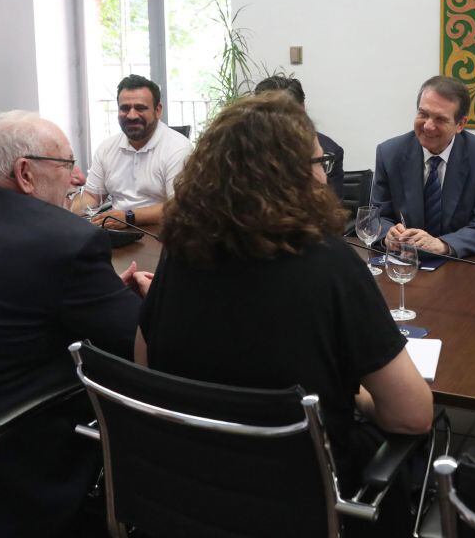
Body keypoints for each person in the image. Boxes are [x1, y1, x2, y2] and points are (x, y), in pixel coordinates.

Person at [135, 92, 433, 536]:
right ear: (288, 176)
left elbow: (146, 364)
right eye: (319, 164)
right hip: (304, 504)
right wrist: (351, 396)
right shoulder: (333, 263)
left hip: (191, 493)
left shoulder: (182, 249)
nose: (323, 176)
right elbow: (412, 415)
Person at [0, 111, 144, 536]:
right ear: (25, 173)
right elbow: (132, 342)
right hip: (19, 452)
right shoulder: (67, 240)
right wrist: (151, 305)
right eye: (66, 165)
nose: (78, 178)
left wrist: (93, 294)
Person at [372, 75, 475, 258]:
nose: (428, 126)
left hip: (460, 266)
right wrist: (388, 235)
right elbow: (377, 216)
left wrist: (442, 244)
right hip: (403, 262)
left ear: (460, 124)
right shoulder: (389, 153)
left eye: (440, 119)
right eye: (423, 114)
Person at [73, 74, 193, 229]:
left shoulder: (178, 148)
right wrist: (62, 210)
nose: (131, 115)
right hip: (116, 229)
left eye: (140, 108)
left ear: (158, 110)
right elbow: (92, 196)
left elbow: (179, 207)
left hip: (163, 232)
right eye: (124, 108)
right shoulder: (107, 148)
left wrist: (128, 216)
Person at [254, 74, 345, 199]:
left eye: (283, 111)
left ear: (301, 108)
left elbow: (333, 209)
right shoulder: (242, 151)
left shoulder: (328, 152)